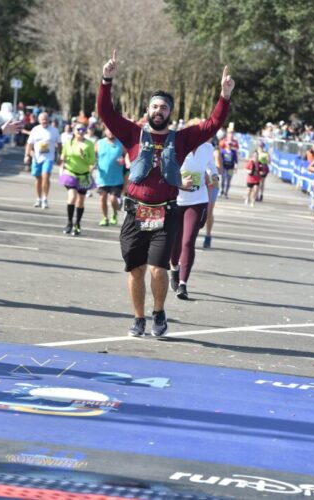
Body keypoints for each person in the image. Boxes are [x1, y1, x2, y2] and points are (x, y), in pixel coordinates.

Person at [97, 50, 234, 338]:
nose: (159, 111)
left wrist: (224, 97)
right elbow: (106, 113)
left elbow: (212, 125)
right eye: (155, 106)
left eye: (164, 108)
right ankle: (138, 318)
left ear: (170, 113)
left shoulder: (181, 139)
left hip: (165, 212)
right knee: (135, 270)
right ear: (148, 110)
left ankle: (158, 312)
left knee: (158, 270)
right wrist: (106, 80)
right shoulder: (133, 133)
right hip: (135, 211)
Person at [169, 139, 214, 300]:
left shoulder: (207, 147)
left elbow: (211, 167)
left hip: (198, 200)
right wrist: (180, 183)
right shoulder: (177, 145)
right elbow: (166, 171)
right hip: (176, 200)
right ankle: (174, 267)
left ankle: (183, 284)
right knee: (175, 240)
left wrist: (214, 176)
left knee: (188, 241)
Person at [59, 122, 96, 236]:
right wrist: (63, 159)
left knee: (80, 201)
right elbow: (63, 156)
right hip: (70, 173)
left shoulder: (89, 144)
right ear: (74, 131)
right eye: (78, 129)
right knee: (72, 197)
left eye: (83, 130)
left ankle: (77, 224)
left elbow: (92, 162)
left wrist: (84, 155)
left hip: (84, 175)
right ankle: (69, 223)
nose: (81, 131)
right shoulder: (68, 143)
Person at [24, 112, 61, 209]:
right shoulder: (35, 130)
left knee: (45, 176)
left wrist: (60, 155)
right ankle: (38, 198)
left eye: (46, 119)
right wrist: (27, 155)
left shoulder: (54, 130)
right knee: (38, 178)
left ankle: (45, 198)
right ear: (39, 120)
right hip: (36, 158)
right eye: (42, 120)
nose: (44, 121)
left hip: (48, 158)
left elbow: (59, 144)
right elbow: (29, 144)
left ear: (48, 120)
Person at [95, 126, 127, 226]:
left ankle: (114, 214)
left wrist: (124, 161)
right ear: (105, 131)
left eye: (113, 131)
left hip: (116, 178)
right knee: (102, 198)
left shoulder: (121, 144)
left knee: (113, 199)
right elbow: (93, 157)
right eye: (108, 130)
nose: (111, 133)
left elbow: (128, 157)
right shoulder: (99, 143)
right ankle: (105, 218)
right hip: (102, 177)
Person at [203, 143, 222, 249]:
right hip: (200, 184)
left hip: (212, 185)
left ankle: (208, 235)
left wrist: (210, 170)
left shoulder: (215, 151)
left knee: (208, 212)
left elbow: (219, 169)